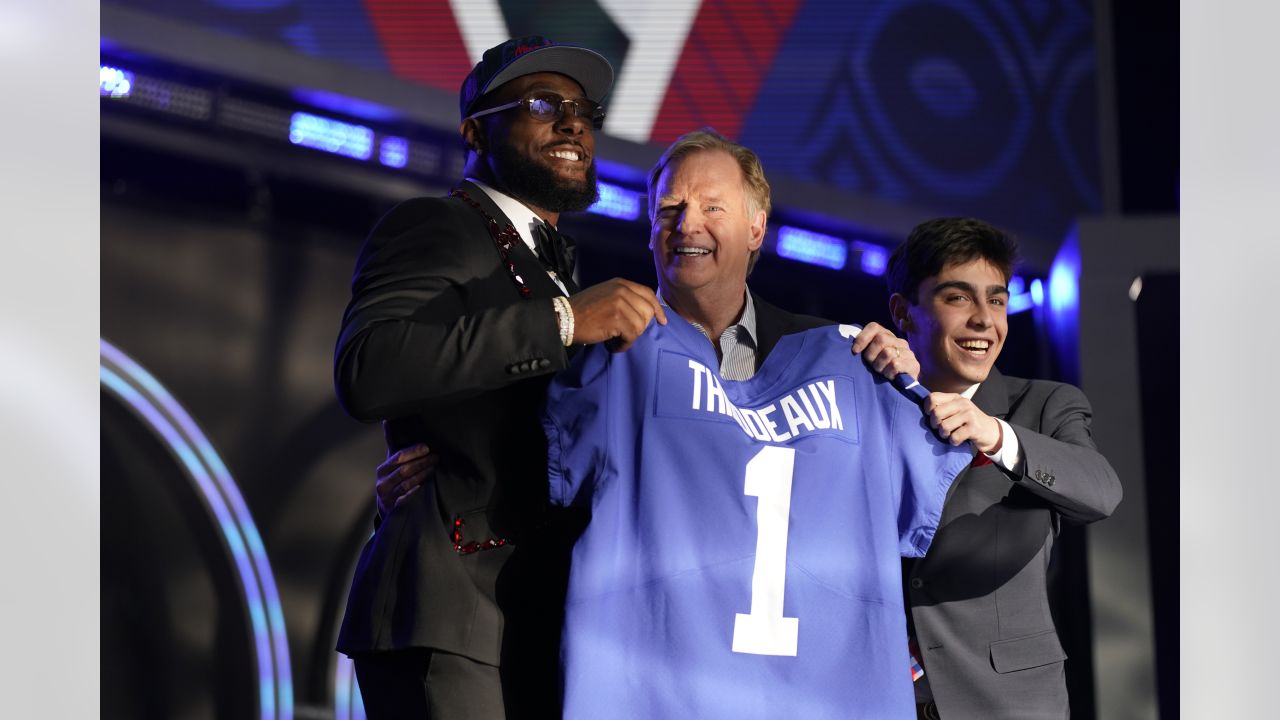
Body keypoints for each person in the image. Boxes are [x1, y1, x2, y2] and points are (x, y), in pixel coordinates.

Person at [333, 36, 669, 719]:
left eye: (583, 109)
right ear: (474, 130)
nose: (573, 122)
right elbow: (369, 369)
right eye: (544, 104)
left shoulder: (551, 266)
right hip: (455, 612)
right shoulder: (438, 225)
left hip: (536, 619)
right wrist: (564, 323)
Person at [888, 217, 1123, 719]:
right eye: (958, 297)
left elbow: (1102, 490)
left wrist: (997, 436)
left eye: (996, 300)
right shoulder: (869, 406)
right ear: (903, 313)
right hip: (879, 696)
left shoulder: (1043, 405)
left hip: (1005, 703)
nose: (984, 320)